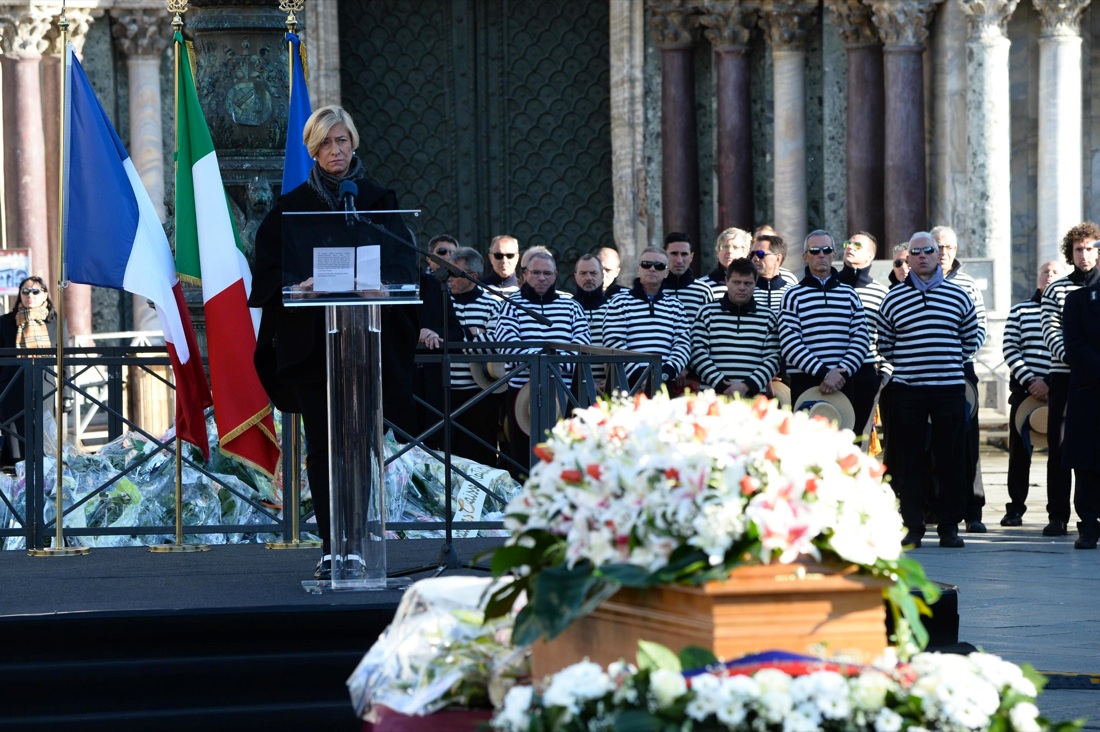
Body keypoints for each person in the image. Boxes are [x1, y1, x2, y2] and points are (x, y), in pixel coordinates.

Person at [249, 105, 418, 580]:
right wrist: (295, 286)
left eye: (342, 140)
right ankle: (330, 545)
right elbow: (267, 272)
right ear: (312, 150)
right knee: (324, 449)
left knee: (360, 444)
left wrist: (385, 284)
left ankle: (358, 543)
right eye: (326, 143)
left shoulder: (379, 201)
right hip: (313, 350)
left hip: (366, 344)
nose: (336, 150)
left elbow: (407, 265)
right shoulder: (290, 209)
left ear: (354, 143)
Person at [873, 232, 980, 549]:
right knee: (909, 461)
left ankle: (949, 527)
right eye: (916, 252)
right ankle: (913, 526)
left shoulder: (958, 296)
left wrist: (943, 360)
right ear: (908, 259)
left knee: (950, 459)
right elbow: (886, 345)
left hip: (948, 388)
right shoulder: (893, 298)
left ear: (938, 255)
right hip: (909, 391)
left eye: (928, 251)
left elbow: (970, 340)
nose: (922, 257)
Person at [492, 250, 590, 475]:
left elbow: (581, 348)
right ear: (524, 274)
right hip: (521, 394)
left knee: (562, 457)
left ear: (555, 276)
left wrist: (543, 363)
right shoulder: (510, 305)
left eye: (547, 273)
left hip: (564, 393)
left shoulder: (572, 307)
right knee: (522, 459)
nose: (542, 278)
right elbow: (508, 345)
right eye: (536, 272)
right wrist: (545, 362)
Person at [1040, 221, 1100, 537]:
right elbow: (1052, 333)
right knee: (1062, 447)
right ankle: (1058, 514)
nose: (1085, 255)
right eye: (1078, 249)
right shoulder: (1057, 288)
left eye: (1090, 248)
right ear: (1070, 253)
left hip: (1091, 376)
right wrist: (1080, 363)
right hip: (1068, 377)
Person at [1001, 259, 1068, 526]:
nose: (1049, 276)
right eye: (1045, 272)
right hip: (1024, 392)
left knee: (1062, 454)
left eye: (1055, 272)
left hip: (1060, 389)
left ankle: (1058, 514)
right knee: (1019, 454)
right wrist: (1031, 380)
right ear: (1038, 278)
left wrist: (1050, 382)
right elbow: (1010, 348)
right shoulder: (1020, 311)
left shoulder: (1069, 311)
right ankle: (1015, 508)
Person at [931, 225, 988, 532]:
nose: (942, 253)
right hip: (924, 375)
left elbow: (980, 329)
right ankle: (937, 510)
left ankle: (973, 510)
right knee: (932, 445)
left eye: (948, 247)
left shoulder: (967, 283)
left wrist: (954, 355)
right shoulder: (916, 283)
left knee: (967, 443)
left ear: (955, 251)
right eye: (936, 247)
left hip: (959, 370)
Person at [777, 230, 870, 413]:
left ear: (833, 255)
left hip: (843, 379)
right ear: (805, 256)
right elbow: (789, 342)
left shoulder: (849, 294)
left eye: (826, 250)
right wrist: (824, 373)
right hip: (806, 379)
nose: (821, 255)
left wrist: (841, 371)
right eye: (815, 250)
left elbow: (861, 338)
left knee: (845, 438)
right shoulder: (792, 295)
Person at [602, 248, 691, 390]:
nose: (652, 269)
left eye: (659, 266)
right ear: (638, 269)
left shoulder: (676, 306)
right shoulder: (618, 302)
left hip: (665, 384)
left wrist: (664, 374)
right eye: (646, 264)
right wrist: (641, 376)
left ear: (666, 272)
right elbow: (613, 343)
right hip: (628, 386)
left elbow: (683, 345)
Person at [691, 258, 780, 398]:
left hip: (754, 397)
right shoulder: (706, 312)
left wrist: (747, 386)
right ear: (726, 281)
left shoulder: (768, 317)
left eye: (748, 283)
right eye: (736, 282)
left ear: (755, 283)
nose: (742, 287)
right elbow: (697, 352)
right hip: (712, 396)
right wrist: (721, 385)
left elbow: (774, 358)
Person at [446, 247, 502, 468]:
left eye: (454, 273)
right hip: (443, 392)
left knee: (480, 457)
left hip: (479, 394)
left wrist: (456, 342)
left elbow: (494, 346)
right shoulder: (443, 302)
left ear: (473, 277)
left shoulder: (493, 304)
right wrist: (472, 334)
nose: (449, 278)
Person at [1060, 270, 1100, 548]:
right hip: (1089, 390)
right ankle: (1088, 525)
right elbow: (1073, 344)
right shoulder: (1078, 300)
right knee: (1086, 463)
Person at [837, 232, 890, 443]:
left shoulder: (880, 293)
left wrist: (883, 376)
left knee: (860, 441)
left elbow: (888, 338)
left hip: (865, 374)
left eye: (858, 245)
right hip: (830, 374)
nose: (850, 246)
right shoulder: (830, 286)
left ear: (870, 257)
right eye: (848, 242)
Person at [0, 276, 57, 470]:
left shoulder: (55, 322)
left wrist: (67, 395)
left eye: (35, 291)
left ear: (45, 296)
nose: (29, 296)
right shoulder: (6, 322)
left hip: (45, 386)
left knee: (46, 437)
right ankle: (20, 488)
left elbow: (64, 362)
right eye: (25, 291)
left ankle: (45, 484)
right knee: (16, 443)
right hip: (11, 388)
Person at [660, 232, 714, 322]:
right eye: (674, 254)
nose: (679, 260)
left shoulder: (703, 291)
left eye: (684, 254)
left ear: (691, 257)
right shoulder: (654, 289)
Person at [702, 228, 751, 297]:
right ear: (717, 252)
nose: (729, 251)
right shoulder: (702, 286)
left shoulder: (754, 285)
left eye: (735, 247)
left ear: (746, 252)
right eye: (725, 246)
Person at [751, 234, 794, 312]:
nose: (755, 258)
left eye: (760, 254)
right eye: (752, 254)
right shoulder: (746, 291)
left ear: (778, 258)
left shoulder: (793, 293)